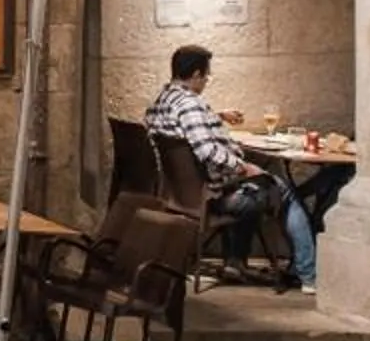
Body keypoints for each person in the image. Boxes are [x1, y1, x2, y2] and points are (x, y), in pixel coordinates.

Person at [145, 44, 352, 293]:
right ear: (197, 75)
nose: (207, 81)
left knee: (265, 181)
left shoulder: (164, 99)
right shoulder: (191, 105)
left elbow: (183, 129)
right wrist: (243, 168)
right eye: (206, 75)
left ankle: (235, 263)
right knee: (281, 190)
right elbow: (208, 151)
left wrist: (216, 116)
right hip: (213, 197)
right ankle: (308, 274)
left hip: (181, 195)